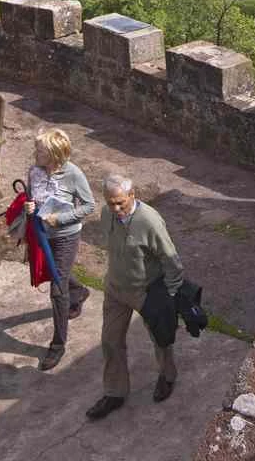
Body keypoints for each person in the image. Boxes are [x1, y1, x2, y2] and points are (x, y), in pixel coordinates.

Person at [85, 174, 184, 421]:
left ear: (132, 195)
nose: (116, 209)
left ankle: (167, 376)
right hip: (116, 289)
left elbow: (171, 260)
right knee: (109, 340)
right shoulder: (107, 214)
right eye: (110, 203)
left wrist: (170, 295)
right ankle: (115, 392)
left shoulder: (149, 221)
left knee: (160, 338)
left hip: (146, 290)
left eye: (121, 202)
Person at [25, 128, 95, 372]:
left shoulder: (73, 174)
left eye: (40, 151)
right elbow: (29, 195)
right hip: (42, 234)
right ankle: (79, 290)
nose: (35, 153)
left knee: (57, 289)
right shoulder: (34, 170)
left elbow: (88, 206)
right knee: (56, 273)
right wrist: (29, 206)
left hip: (66, 236)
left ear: (54, 154)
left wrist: (61, 218)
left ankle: (58, 345)